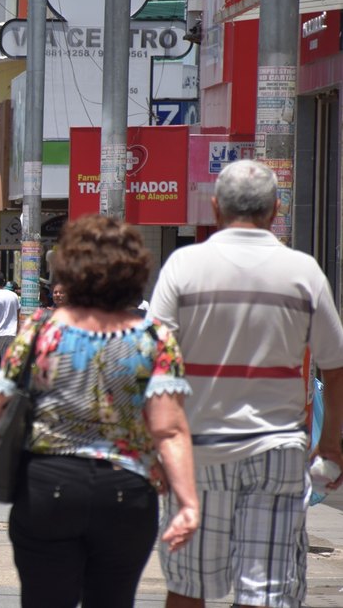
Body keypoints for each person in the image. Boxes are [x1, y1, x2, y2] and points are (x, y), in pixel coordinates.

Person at [0, 215, 199, 607]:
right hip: (127, 493)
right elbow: (169, 431)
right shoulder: (155, 338)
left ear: (67, 269)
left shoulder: (41, 331)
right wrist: (187, 502)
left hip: (47, 488)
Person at [149, 159, 343, 608]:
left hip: (195, 451)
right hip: (275, 453)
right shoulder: (303, 272)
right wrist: (331, 443)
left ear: (215, 208)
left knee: (187, 585)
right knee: (266, 591)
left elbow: (153, 364)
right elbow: (334, 369)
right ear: (276, 210)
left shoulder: (183, 267)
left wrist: (152, 448)